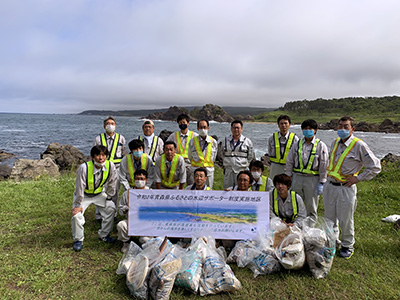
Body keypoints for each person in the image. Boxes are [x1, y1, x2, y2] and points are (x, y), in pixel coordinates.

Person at [323, 116, 381, 259]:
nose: (342, 129)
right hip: (330, 186)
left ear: (352, 129)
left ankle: (347, 245)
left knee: (346, 219)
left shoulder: (359, 145)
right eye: (340, 126)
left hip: (346, 188)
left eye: (346, 127)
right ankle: (332, 242)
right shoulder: (335, 142)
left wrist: (358, 178)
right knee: (329, 218)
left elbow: (375, 166)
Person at [71, 145, 118, 251]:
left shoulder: (110, 166)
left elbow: (113, 182)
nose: (100, 158)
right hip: (84, 195)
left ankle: (104, 235)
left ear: (106, 156)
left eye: (103, 155)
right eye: (97, 155)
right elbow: (79, 187)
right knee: (76, 215)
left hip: (99, 194)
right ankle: (78, 240)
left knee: (111, 208)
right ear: (92, 157)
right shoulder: (84, 168)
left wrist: (109, 197)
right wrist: (78, 204)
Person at [285, 119, 329, 223]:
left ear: (315, 130)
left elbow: (324, 164)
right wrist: (288, 176)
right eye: (305, 129)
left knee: (311, 206)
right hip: (297, 178)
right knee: (294, 203)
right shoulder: (297, 144)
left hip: (312, 180)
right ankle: (295, 226)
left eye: (310, 129)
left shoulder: (320, 145)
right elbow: (289, 160)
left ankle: (309, 229)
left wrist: (322, 182)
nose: (307, 131)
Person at [93, 116, 126, 221]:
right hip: (102, 168)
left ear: (115, 126)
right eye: (108, 123)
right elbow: (94, 155)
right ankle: (99, 215)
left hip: (116, 168)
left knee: (114, 191)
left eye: (112, 123)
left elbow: (124, 153)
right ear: (104, 126)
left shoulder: (121, 138)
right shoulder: (98, 139)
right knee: (101, 191)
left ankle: (113, 214)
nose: (110, 125)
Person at [117, 169, 150, 253]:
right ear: (134, 180)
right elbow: (120, 208)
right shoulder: (127, 193)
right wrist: (125, 208)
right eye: (137, 179)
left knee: (145, 240)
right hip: (131, 221)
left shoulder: (151, 193)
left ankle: (143, 240)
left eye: (142, 179)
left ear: (146, 180)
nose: (139, 181)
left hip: (146, 223)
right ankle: (126, 242)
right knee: (121, 225)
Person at [166, 113, 198, 186]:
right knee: (177, 183)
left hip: (190, 162)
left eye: (184, 122)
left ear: (188, 123)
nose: (182, 124)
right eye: (180, 123)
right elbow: (167, 146)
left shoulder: (195, 136)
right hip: (177, 162)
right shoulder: (173, 136)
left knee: (191, 183)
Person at [222, 120, 255, 189]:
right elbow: (222, 154)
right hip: (229, 171)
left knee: (241, 189)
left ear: (241, 129)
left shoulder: (247, 141)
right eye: (234, 128)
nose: (236, 130)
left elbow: (250, 156)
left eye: (238, 128)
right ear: (231, 129)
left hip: (241, 171)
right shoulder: (225, 140)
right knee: (227, 190)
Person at [188, 119, 218, 189]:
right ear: (197, 128)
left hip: (209, 171)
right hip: (196, 171)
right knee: (195, 190)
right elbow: (190, 156)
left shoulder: (213, 141)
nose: (203, 129)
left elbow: (214, 156)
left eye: (204, 127)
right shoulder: (192, 141)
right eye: (201, 127)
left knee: (208, 190)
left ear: (208, 128)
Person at [267, 115, 299, 180]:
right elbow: (269, 151)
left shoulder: (295, 139)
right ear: (278, 125)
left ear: (289, 125)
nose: (283, 125)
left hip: (289, 167)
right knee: (274, 186)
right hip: (275, 167)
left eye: (285, 123)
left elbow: (297, 155)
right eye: (281, 123)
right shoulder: (272, 138)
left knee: (288, 186)